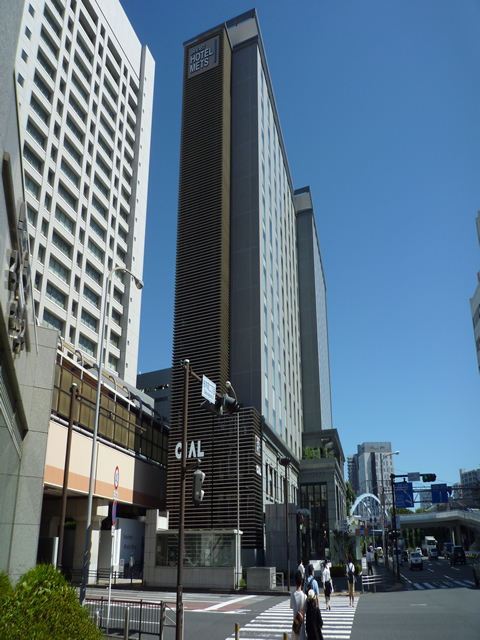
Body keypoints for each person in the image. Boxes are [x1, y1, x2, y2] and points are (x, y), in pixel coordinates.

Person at [290, 569, 307, 640]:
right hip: (301, 630)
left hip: (295, 629)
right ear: (302, 582)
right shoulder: (305, 597)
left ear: (295, 582)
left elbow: (291, 607)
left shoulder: (292, 595)